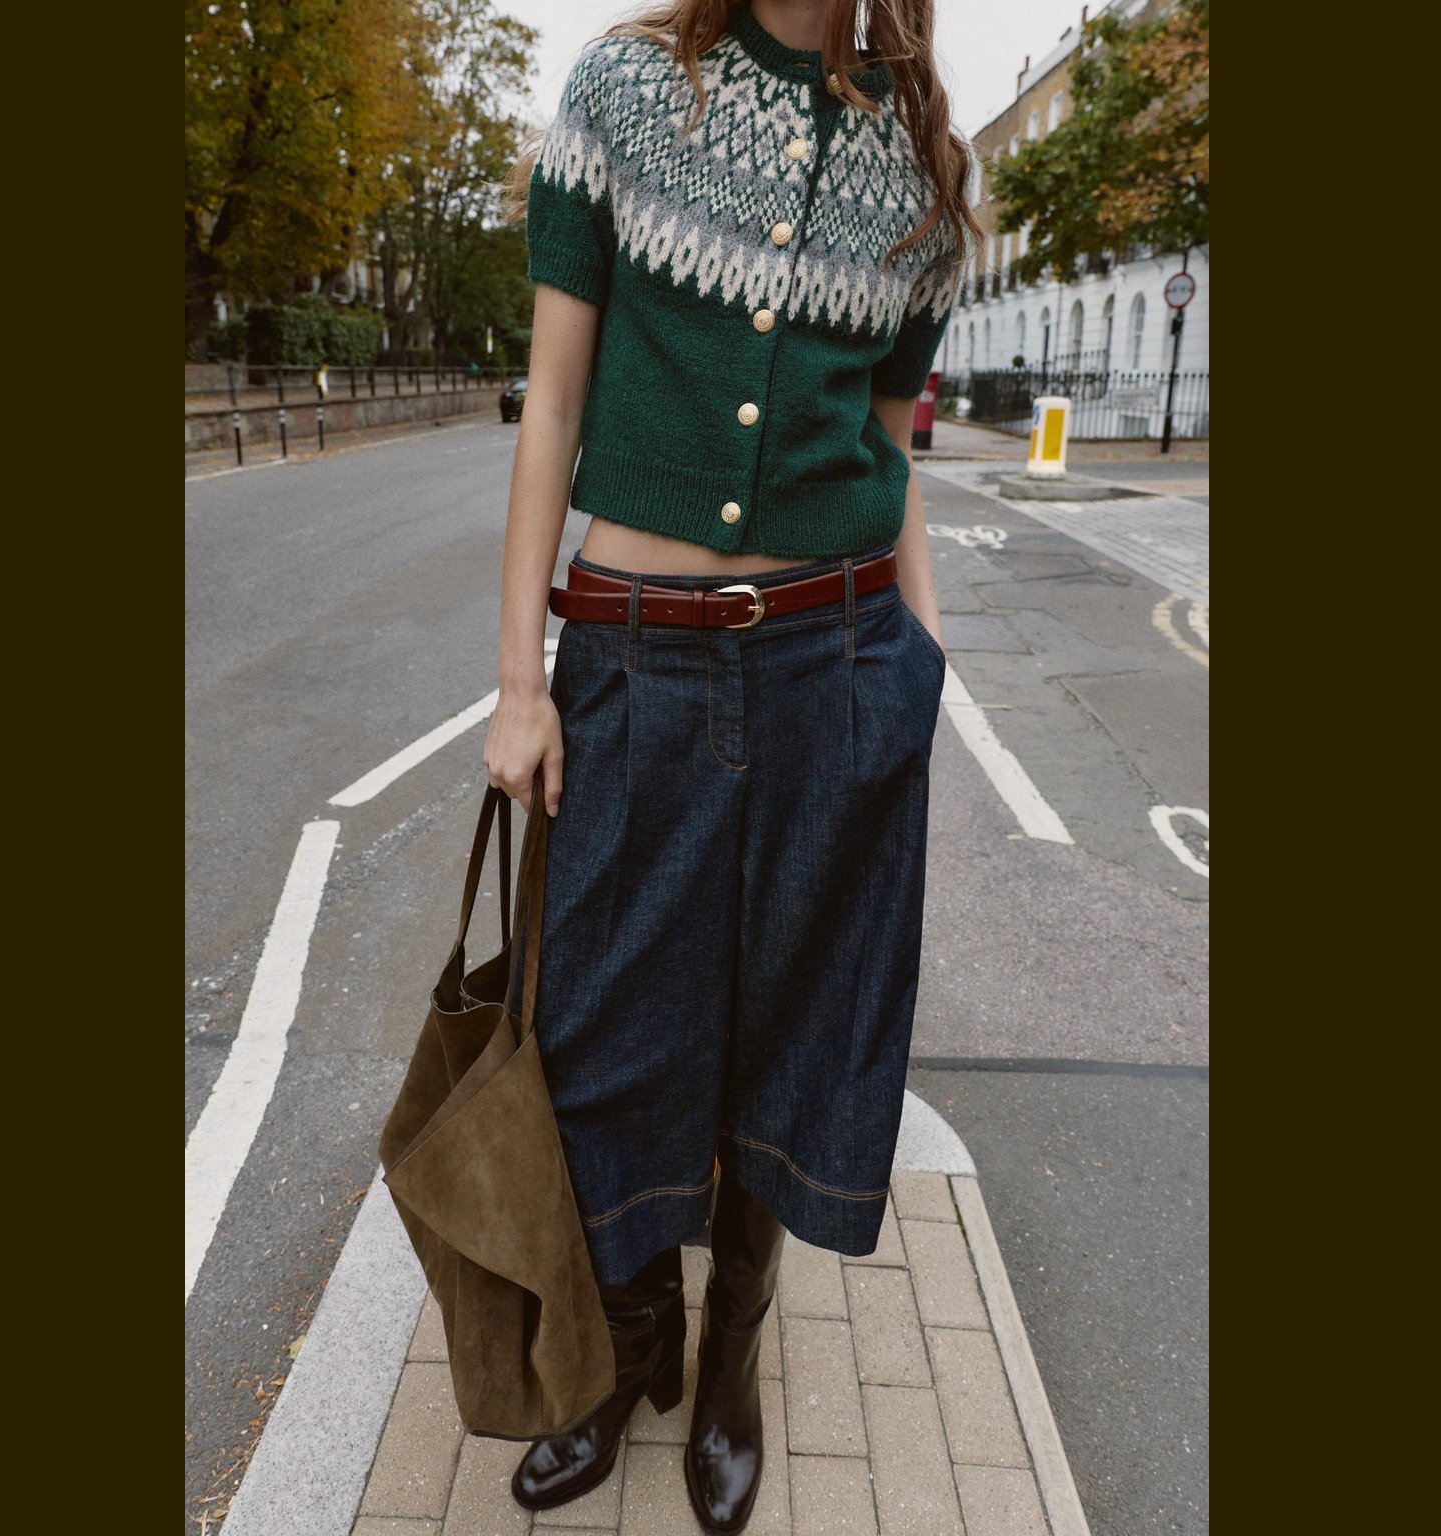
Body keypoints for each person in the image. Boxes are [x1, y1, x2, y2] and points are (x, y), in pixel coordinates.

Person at [489, 2, 974, 1528]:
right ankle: (629, 1337)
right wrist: (520, 681)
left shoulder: (924, 160)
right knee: (606, 1027)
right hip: (634, 656)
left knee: (791, 1028)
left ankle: (730, 1355)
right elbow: (553, 401)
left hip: (839, 666)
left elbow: (891, 445)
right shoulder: (627, 89)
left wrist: (924, 667)